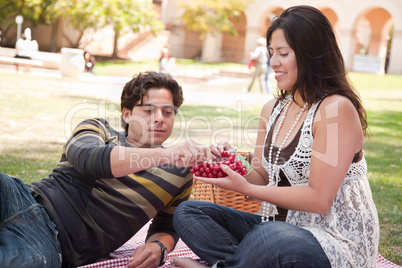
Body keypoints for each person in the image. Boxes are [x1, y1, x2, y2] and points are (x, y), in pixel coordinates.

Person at [172, 5, 379, 268]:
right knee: (190, 212)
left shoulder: (335, 109)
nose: (273, 62)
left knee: (270, 238)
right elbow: (261, 178)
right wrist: (231, 162)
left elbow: (319, 199)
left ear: (311, 54)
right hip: (278, 226)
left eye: (283, 53)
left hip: (334, 240)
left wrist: (249, 189)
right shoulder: (272, 109)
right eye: (271, 53)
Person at [0, 71, 211, 268]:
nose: (159, 118)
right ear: (127, 114)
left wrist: (159, 247)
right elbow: (91, 161)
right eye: (148, 110)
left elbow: (167, 226)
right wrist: (168, 155)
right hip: (20, 196)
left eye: (168, 112)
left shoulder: (180, 173)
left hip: (53, 241)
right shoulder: (97, 128)